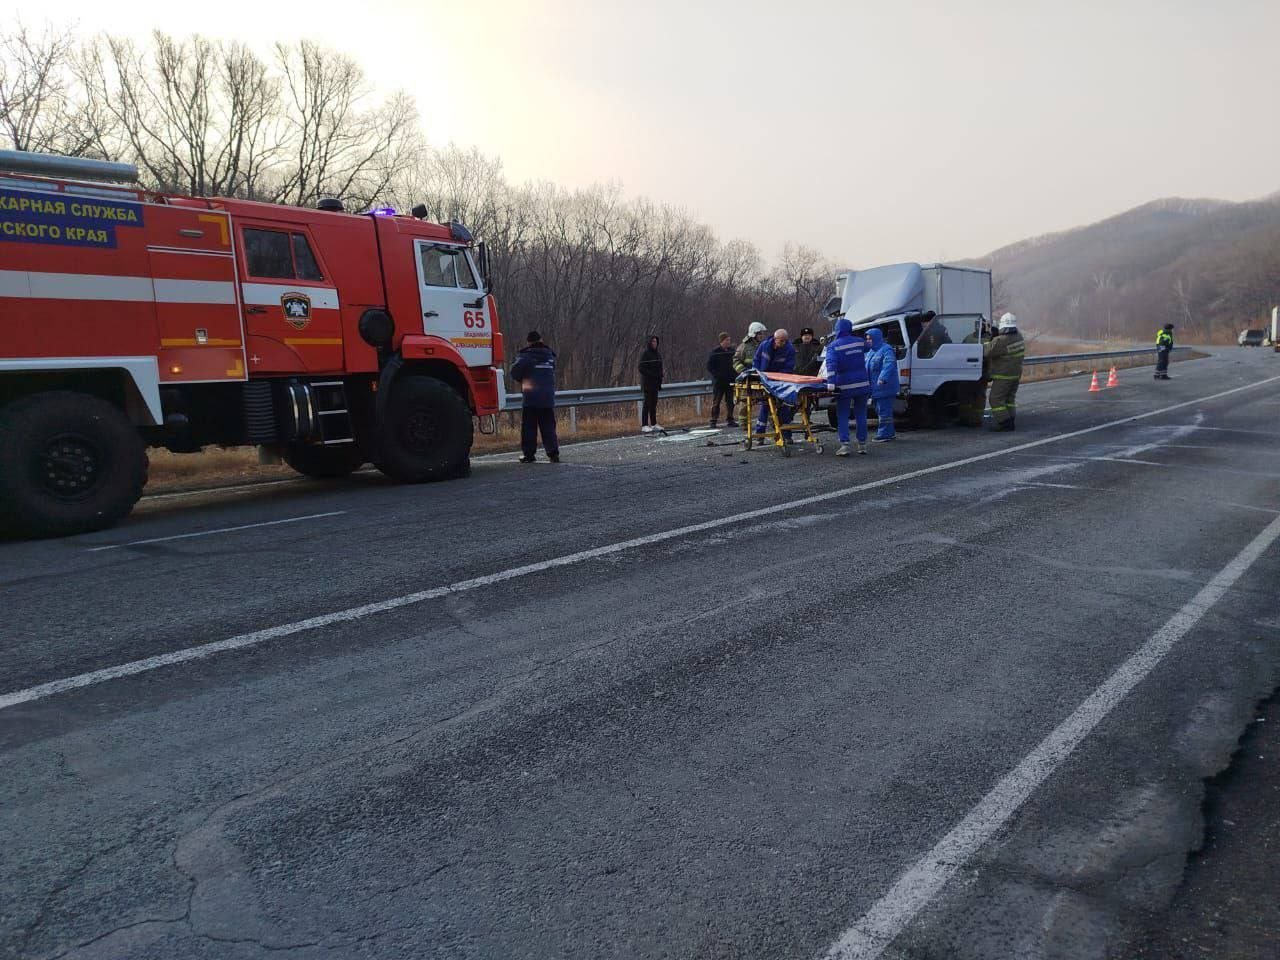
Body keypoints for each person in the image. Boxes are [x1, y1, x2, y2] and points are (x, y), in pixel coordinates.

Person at [509, 330, 559, 463]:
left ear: (529, 342)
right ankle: (553, 453)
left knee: (529, 427)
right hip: (548, 398)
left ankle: (529, 455)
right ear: (541, 340)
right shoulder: (550, 356)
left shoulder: (526, 356)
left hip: (531, 397)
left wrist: (524, 379)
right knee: (548, 426)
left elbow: (514, 372)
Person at [824, 318, 871, 456]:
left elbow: (831, 365)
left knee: (843, 415)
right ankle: (862, 445)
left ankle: (845, 445)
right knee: (861, 414)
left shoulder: (833, 346)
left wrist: (830, 382)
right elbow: (869, 346)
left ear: (837, 330)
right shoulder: (859, 341)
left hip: (844, 385)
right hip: (863, 384)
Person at [752, 327, 797, 439]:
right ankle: (760, 435)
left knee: (784, 407)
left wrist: (776, 377)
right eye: (780, 341)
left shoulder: (789, 349)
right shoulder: (764, 345)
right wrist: (757, 374)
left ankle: (786, 435)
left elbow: (789, 367)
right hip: (765, 380)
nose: (782, 343)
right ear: (775, 338)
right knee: (765, 406)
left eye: (784, 341)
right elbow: (756, 360)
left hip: (780, 382)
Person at [984, 312, 1026, 431]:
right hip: (1015, 374)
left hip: (1003, 376)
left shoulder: (1001, 341)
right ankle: (1011, 419)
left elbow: (986, 351)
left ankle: (1004, 423)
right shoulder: (1019, 336)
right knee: (1009, 399)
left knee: (995, 399)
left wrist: (990, 338)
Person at [865, 327, 900, 442]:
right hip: (875, 389)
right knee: (880, 411)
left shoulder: (886, 349)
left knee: (884, 411)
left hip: (885, 387)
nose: (868, 341)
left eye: (870, 339)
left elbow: (889, 364)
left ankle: (886, 434)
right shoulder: (870, 352)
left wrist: (882, 378)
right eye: (867, 339)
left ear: (876, 338)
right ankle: (888, 432)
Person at [706, 332, 738, 427]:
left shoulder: (732, 351)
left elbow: (736, 363)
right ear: (721, 341)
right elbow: (709, 366)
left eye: (729, 340)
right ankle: (713, 420)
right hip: (719, 382)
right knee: (716, 402)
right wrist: (717, 375)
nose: (728, 342)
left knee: (730, 402)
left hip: (730, 381)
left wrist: (734, 375)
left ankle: (730, 419)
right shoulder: (715, 352)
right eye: (726, 340)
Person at [638, 335, 664, 432]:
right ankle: (644, 425)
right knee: (647, 404)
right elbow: (641, 368)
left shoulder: (658, 354)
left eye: (656, 341)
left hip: (656, 384)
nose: (655, 343)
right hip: (648, 383)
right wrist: (651, 374)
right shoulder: (646, 354)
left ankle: (654, 423)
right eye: (653, 341)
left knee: (654, 404)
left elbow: (660, 366)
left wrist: (660, 375)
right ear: (649, 342)